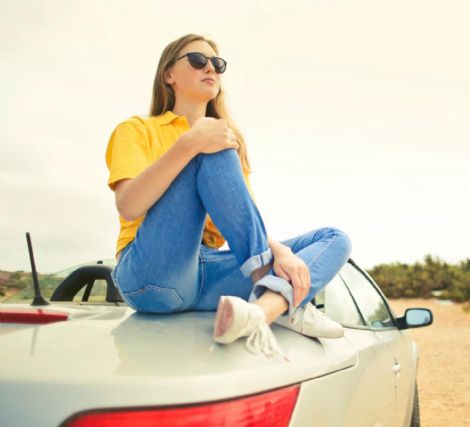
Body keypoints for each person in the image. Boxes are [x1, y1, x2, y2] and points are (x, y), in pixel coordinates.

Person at [105, 33, 352, 361]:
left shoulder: (228, 141)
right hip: (150, 272)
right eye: (197, 60)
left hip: (206, 274)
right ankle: (278, 291)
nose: (211, 68)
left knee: (334, 238)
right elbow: (129, 205)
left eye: (217, 64)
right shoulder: (136, 129)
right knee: (213, 144)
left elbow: (239, 220)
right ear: (169, 75)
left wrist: (281, 253)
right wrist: (189, 144)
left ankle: (264, 310)